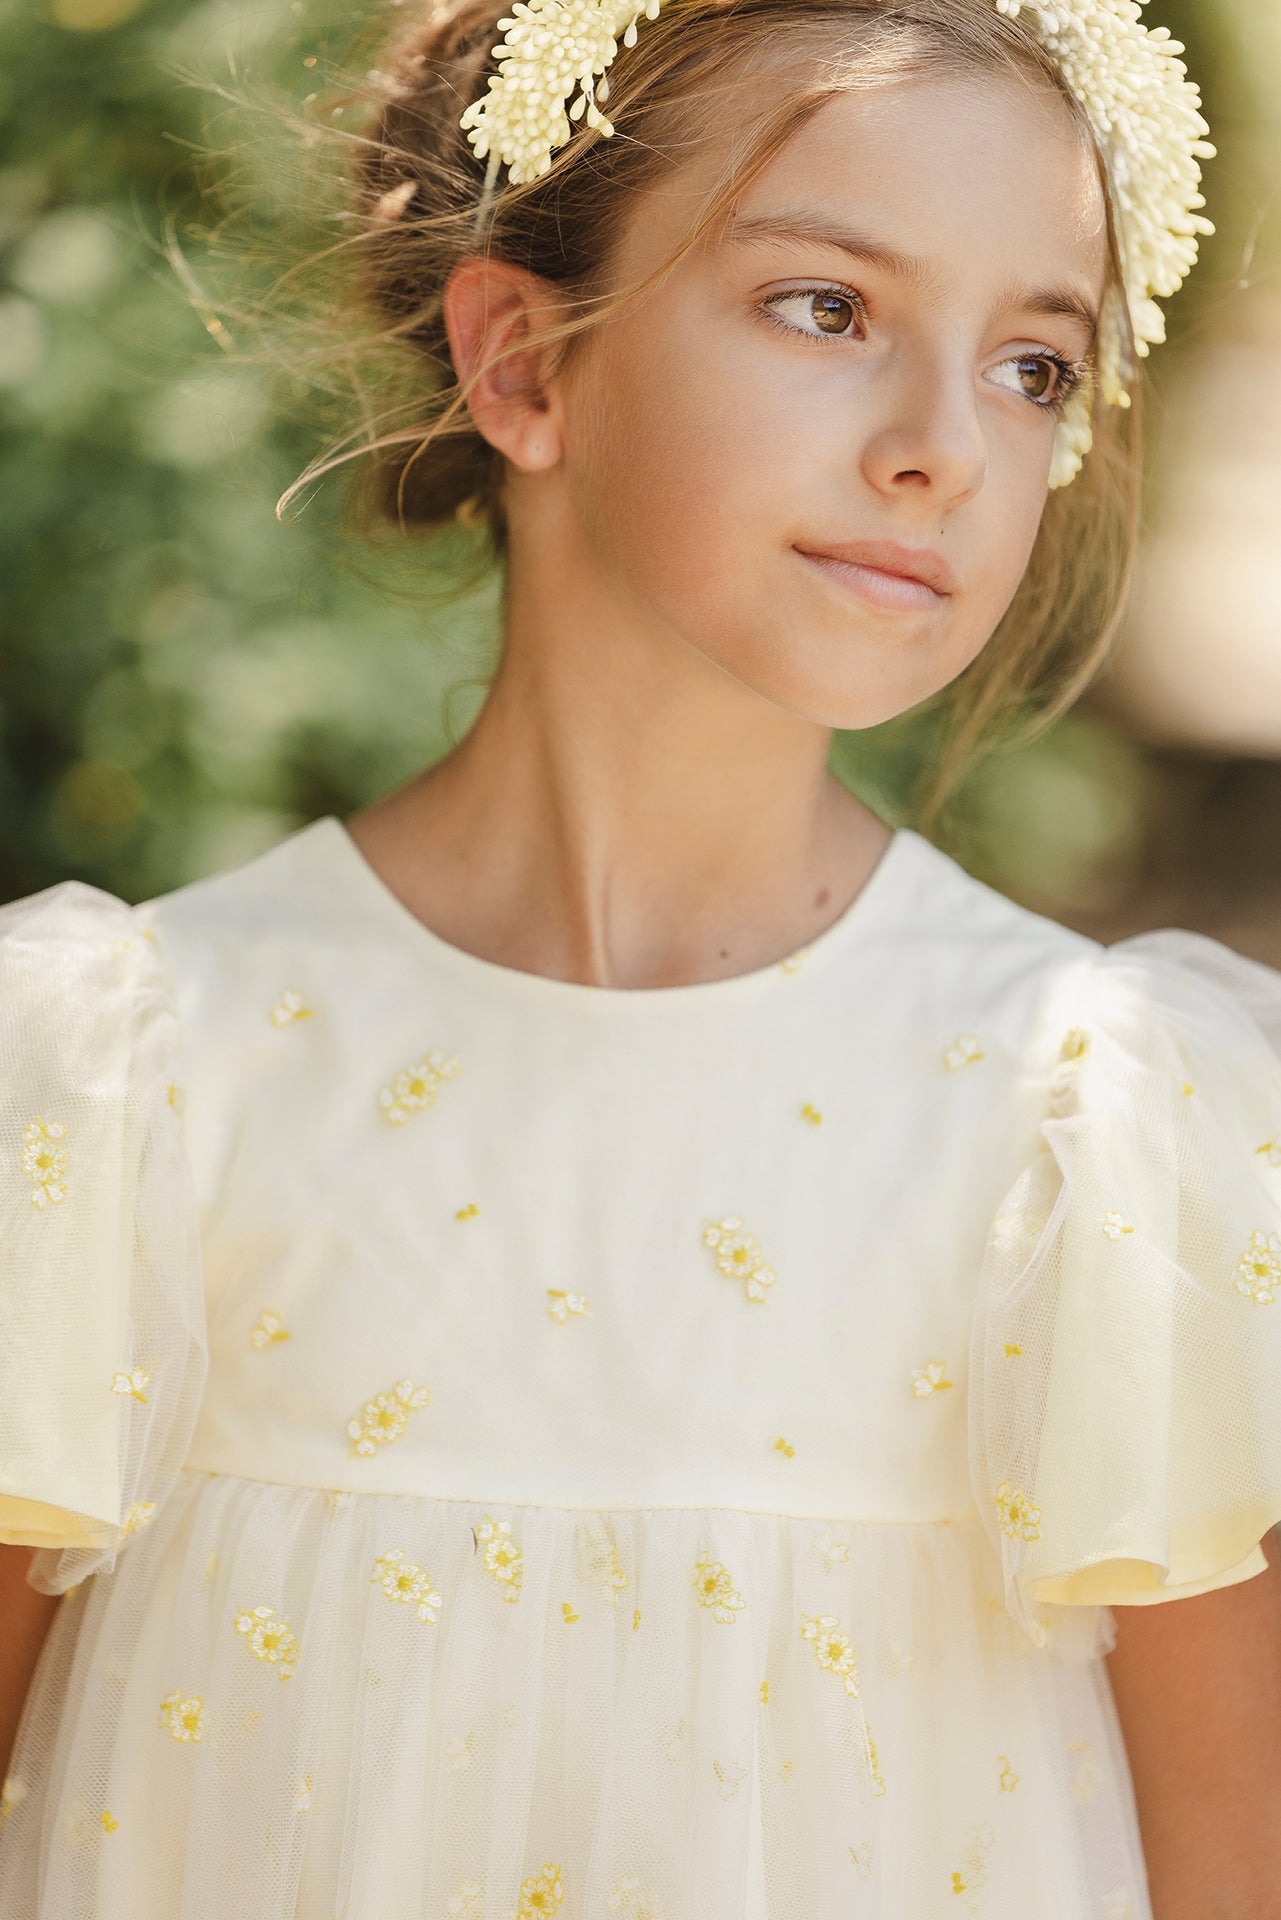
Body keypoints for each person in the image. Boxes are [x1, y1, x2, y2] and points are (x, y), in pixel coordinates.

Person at [2, 0, 1279, 1914]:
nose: (943, 447)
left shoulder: (1096, 1140)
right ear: (524, 362)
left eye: (1031, 364)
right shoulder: (118, 1090)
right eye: (826, 309)